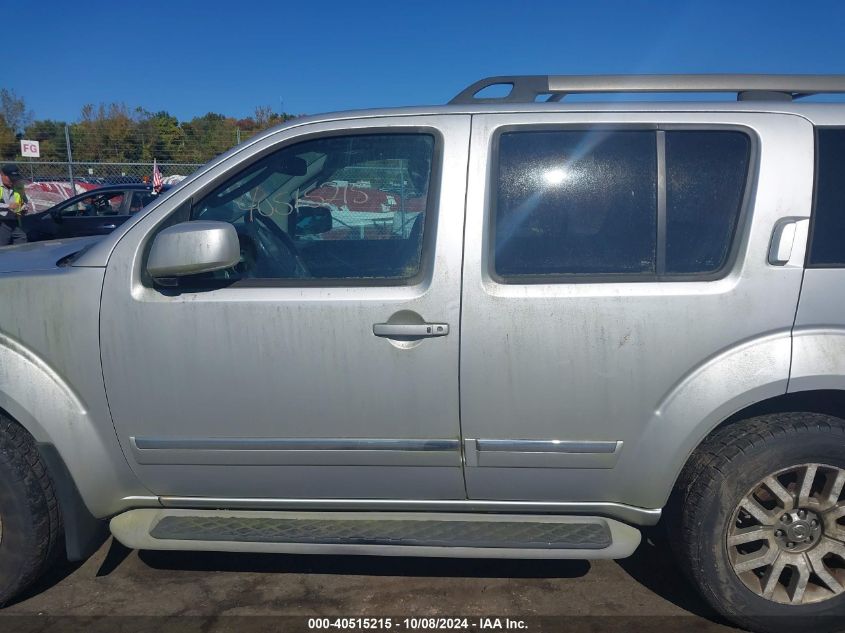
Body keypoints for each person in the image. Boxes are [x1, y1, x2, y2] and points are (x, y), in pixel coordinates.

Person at [0, 164, 29, 245]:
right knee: (2, 246)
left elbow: (24, 200)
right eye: (11, 178)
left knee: (21, 240)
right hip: (2, 222)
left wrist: (24, 207)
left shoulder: (18, 184)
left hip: (14, 220)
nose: (13, 181)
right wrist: (8, 206)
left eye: (15, 178)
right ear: (2, 175)